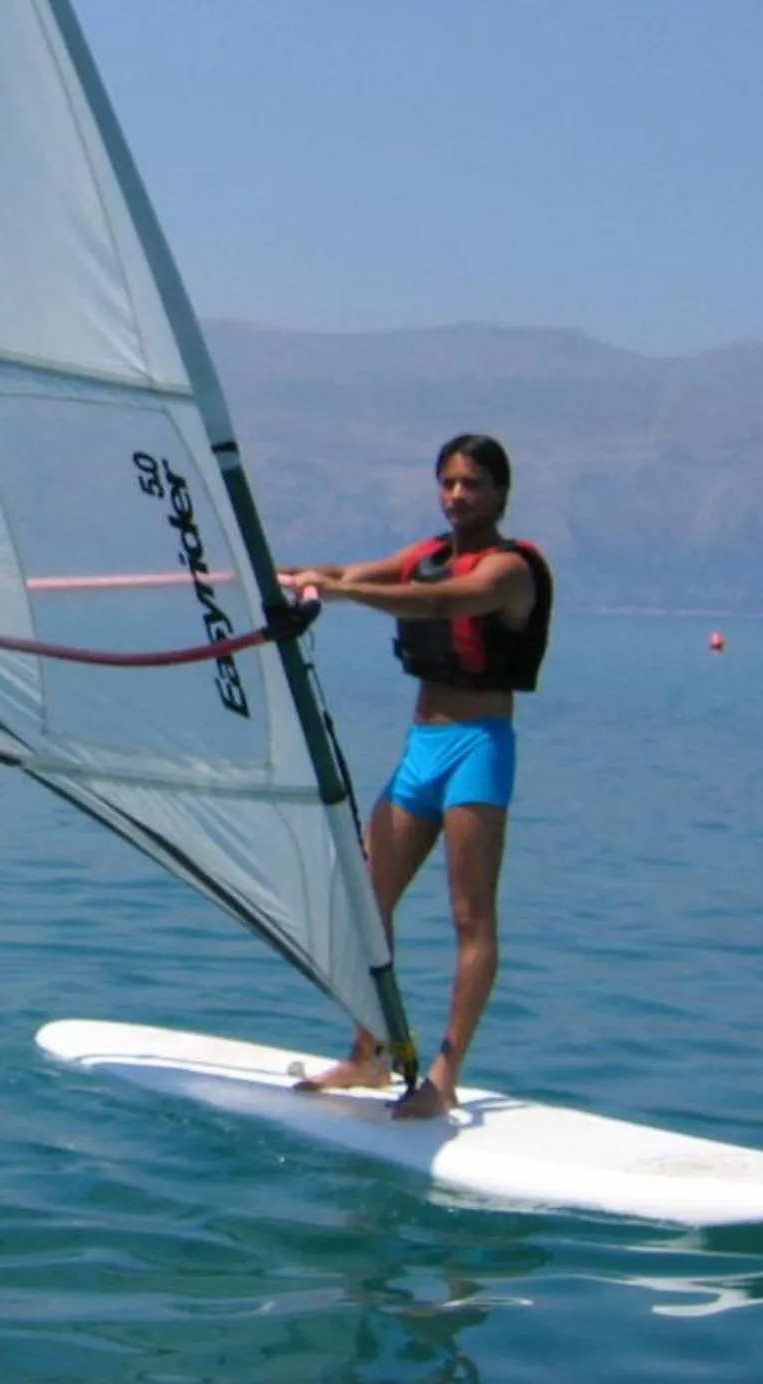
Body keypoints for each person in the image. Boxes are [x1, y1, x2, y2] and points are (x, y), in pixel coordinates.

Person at [275, 433, 553, 1119]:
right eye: (449, 482)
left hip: (478, 749)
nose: (458, 495)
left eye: (473, 484)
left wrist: (337, 591)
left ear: (500, 493)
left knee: (470, 916)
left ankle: (444, 1075)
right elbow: (352, 571)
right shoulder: (424, 556)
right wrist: (288, 576)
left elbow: (436, 605)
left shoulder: (509, 571)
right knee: (371, 902)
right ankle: (368, 1054)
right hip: (419, 750)